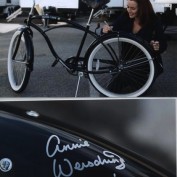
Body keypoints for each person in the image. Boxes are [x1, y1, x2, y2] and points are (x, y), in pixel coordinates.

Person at [102, 0, 167, 77]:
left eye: (133, 8)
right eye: (128, 7)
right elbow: (113, 28)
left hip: (145, 62)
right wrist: (105, 30)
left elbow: (163, 43)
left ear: (142, 9)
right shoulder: (125, 16)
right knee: (115, 85)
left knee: (127, 82)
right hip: (127, 62)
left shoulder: (153, 20)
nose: (128, 10)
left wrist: (156, 46)